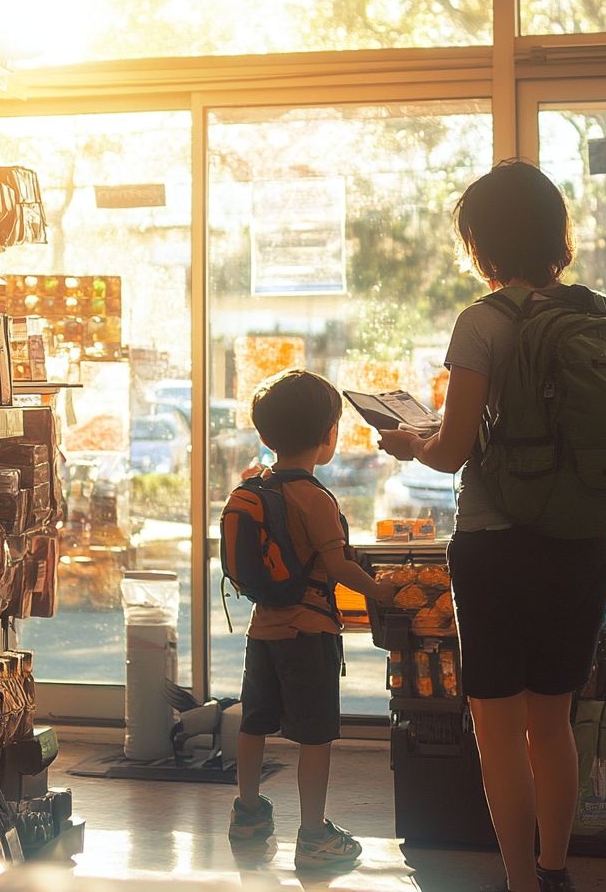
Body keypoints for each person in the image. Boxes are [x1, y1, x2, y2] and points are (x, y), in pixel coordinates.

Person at [378, 160, 606, 892]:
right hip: (582, 546)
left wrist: (409, 440)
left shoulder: (481, 322)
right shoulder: (598, 313)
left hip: (497, 548)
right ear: (555, 232)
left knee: (499, 732)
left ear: (482, 241)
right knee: (554, 724)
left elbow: (450, 453)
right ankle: (556, 871)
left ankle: (518, 881)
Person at [228, 369, 396, 870]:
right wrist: (381, 591)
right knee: (315, 735)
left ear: (264, 436)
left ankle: (249, 814)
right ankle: (314, 833)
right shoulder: (315, 497)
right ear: (329, 436)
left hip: (264, 630)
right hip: (310, 632)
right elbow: (341, 565)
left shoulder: (259, 487)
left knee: (253, 722)